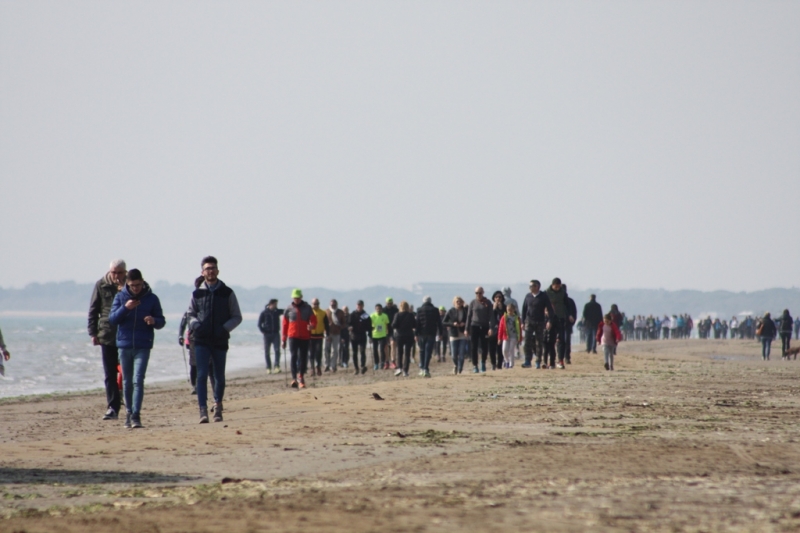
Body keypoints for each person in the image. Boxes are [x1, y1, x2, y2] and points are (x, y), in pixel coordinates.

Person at [187, 256, 243, 423]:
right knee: (202, 375)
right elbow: (190, 315)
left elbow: (237, 317)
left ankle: (217, 406)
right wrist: (197, 326)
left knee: (219, 376)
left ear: (217, 271)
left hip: (220, 340)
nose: (210, 271)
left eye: (213, 268)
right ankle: (203, 410)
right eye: (207, 268)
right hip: (201, 341)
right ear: (202, 272)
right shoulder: (197, 294)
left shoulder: (227, 293)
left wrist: (224, 328)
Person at [108, 268, 166, 429]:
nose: (136, 288)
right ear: (127, 283)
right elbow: (112, 319)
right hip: (124, 345)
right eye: (133, 285)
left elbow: (162, 321)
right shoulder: (120, 297)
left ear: (143, 282)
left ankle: (136, 415)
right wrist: (126, 307)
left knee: (138, 380)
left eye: (139, 285)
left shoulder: (152, 298)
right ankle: (128, 412)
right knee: (127, 382)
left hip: (143, 345)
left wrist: (153, 320)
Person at [87, 259, 127, 421]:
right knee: (110, 373)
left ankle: (127, 402)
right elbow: (93, 309)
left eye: (119, 272)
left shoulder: (132, 285)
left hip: (127, 335)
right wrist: (93, 333)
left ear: (125, 272)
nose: (116, 276)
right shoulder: (101, 285)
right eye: (113, 272)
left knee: (126, 372)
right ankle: (112, 407)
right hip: (107, 335)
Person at [282, 289, 316, 389]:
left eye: (298, 298)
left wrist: (312, 326)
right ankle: (294, 378)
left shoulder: (308, 308)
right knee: (293, 356)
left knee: (303, 357)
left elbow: (313, 320)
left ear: (301, 297)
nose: (296, 299)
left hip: (305, 336)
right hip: (292, 336)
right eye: (294, 298)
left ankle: (301, 377)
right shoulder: (288, 309)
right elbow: (284, 324)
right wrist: (283, 339)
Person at [521, 280, 554, 369]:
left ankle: (538, 361)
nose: (530, 287)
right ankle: (527, 360)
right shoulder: (528, 296)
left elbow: (550, 309)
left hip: (540, 322)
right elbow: (524, 309)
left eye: (532, 286)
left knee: (539, 342)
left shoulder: (543, 296)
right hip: (529, 321)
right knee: (527, 341)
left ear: (537, 287)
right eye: (529, 286)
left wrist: (550, 321)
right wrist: (522, 322)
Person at [465, 287, 495, 373]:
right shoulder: (472, 303)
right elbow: (469, 316)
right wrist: (466, 329)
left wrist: (491, 328)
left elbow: (491, 316)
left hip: (484, 326)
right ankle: (475, 365)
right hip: (474, 326)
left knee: (484, 346)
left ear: (483, 293)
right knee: (474, 347)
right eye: (477, 293)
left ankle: (483, 363)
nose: (478, 294)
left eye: (480, 293)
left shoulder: (488, 303)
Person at [415, 296, 441, 377]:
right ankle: (426, 368)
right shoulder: (435, 310)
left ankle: (422, 368)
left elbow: (417, 323)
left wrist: (416, 334)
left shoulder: (419, 310)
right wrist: (440, 333)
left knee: (422, 350)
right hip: (431, 333)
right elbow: (439, 323)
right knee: (428, 351)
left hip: (421, 333)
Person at [443, 297, 468, 374]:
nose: (459, 303)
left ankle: (460, 369)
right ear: (454, 302)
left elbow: (469, 320)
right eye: (457, 301)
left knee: (461, 354)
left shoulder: (465, 311)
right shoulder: (450, 311)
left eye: (460, 301)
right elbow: (444, 322)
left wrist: (464, 323)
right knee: (454, 355)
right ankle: (456, 365)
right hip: (453, 335)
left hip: (462, 334)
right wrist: (452, 324)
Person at [257, 299, 283, 374]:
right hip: (267, 335)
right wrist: (263, 331)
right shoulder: (264, 313)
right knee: (267, 352)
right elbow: (259, 324)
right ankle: (268, 367)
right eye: (275, 304)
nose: (276, 306)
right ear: (271, 304)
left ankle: (277, 366)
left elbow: (286, 311)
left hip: (275, 334)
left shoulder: (277, 312)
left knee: (277, 350)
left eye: (276, 305)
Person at [392, 301, 416, 377]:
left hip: (399, 335)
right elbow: (415, 325)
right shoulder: (411, 315)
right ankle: (405, 370)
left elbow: (393, 325)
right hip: (409, 335)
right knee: (407, 353)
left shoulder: (397, 315)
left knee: (400, 352)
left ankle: (399, 368)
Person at [349, 301, 371, 374]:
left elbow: (369, 326)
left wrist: (370, 336)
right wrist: (349, 327)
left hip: (362, 335)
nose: (359, 306)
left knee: (362, 351)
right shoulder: (352, 314)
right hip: (354, 336)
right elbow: (347, 323)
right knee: (354, 353)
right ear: (356, 306)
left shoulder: (366, 315)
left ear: (363, 306)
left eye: (360, 305)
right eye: (358, 305)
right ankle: (356, 368)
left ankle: (362, 366)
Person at [497, 303, 521, 368]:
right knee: (504, 349)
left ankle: (511, 363)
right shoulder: (504, 318)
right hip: (506, 336)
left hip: (514, 336)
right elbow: (500, 328)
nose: (509, 311)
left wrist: (520, 338)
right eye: (508, 310)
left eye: (511, 310)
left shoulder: (516, 318)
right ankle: (506, 360)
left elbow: (519, 329)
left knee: (511, 349)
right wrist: (499, 338)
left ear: (514, 310)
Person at [325, 300, 346, 372]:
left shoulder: (340, 312)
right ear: (330, 305)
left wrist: (340, 327)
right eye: (332, 305)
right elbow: (323, 322)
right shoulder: (326, 312)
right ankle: (327, 365)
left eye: (334, 305)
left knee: (335, 350)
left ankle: (333, 365)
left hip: (337, 334)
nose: (333, 306)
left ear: (336, 305)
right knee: (327, 350)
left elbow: (344, 323)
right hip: (328, 333)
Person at [370, 303, 390, 370]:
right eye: (377, 309)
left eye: (379, 309)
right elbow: (370, 326)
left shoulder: (385, 316)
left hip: (383, 335)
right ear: (375, 309)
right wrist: (370, 336)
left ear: (382, 309)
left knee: (382, 350)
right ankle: (376, 363)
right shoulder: (372, 316)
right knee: (375, 350)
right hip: (374, 335)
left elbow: (387, 326)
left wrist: (387, 335)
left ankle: (382, 362)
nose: (378, 310)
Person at [488, 291, 505, 369]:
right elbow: (489, 318)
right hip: (492, 330)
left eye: (500, 297)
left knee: (500, 349)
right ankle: (493, 363)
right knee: (492, 349)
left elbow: (505, 318)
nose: (498, 299)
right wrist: (494, 309)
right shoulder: (490, 307)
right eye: (496, 297)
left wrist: (501, 309)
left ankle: (500, 364)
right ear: (494, 298)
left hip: (502, 330)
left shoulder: (505, 307)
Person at [309, 299, 327, 376]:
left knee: (318, 352)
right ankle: (312, 368)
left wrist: (328, 334)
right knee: (311, 352)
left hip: (319, 335)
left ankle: (318, 366)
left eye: (317, 304)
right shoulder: (308, 312)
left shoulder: (323, 313)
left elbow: (326, 324)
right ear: (312, 304)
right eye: (314, 304)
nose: (315, 305)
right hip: (310, 335)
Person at [563, 284, 577, 364]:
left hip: (567, 324)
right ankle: (563, 357)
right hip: (560, 324)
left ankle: (566, 357)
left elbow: (574, 312)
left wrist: (572, 322)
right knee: (561, 341)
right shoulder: (557, 301)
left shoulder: (570, 301)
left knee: (566, 341)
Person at [383, 298, 399, 369]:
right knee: (385, 346)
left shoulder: (396, 310)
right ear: (386, 303)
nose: (389, 304)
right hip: (385, 330)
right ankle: (386, 362)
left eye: (390, 303)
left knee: (393, 344)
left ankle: (393, 361)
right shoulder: (383, 310)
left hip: (393, 330)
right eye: (388, 303)